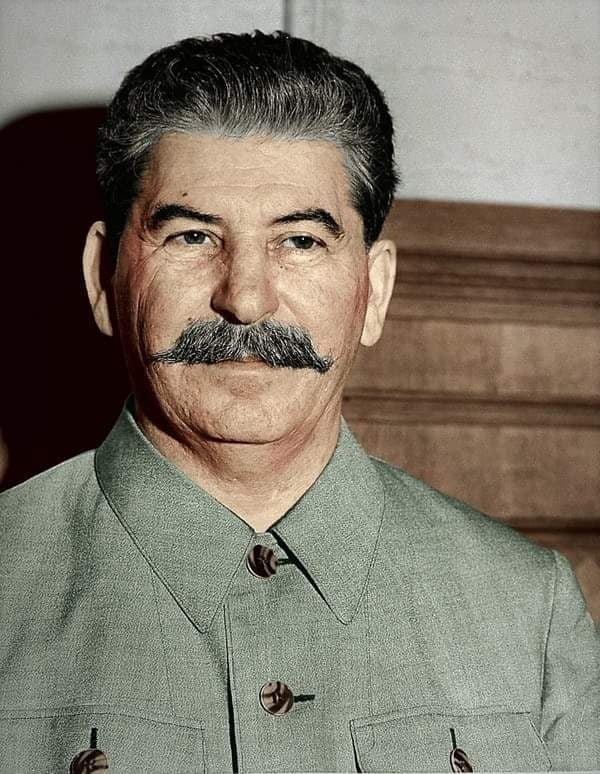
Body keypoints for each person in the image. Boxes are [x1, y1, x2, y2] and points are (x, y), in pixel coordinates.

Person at [0, 31, 597, 774]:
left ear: (374, 292)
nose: (246, 299)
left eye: (302, 242)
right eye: (192, 236)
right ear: (102, 280)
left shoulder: (529, 609)